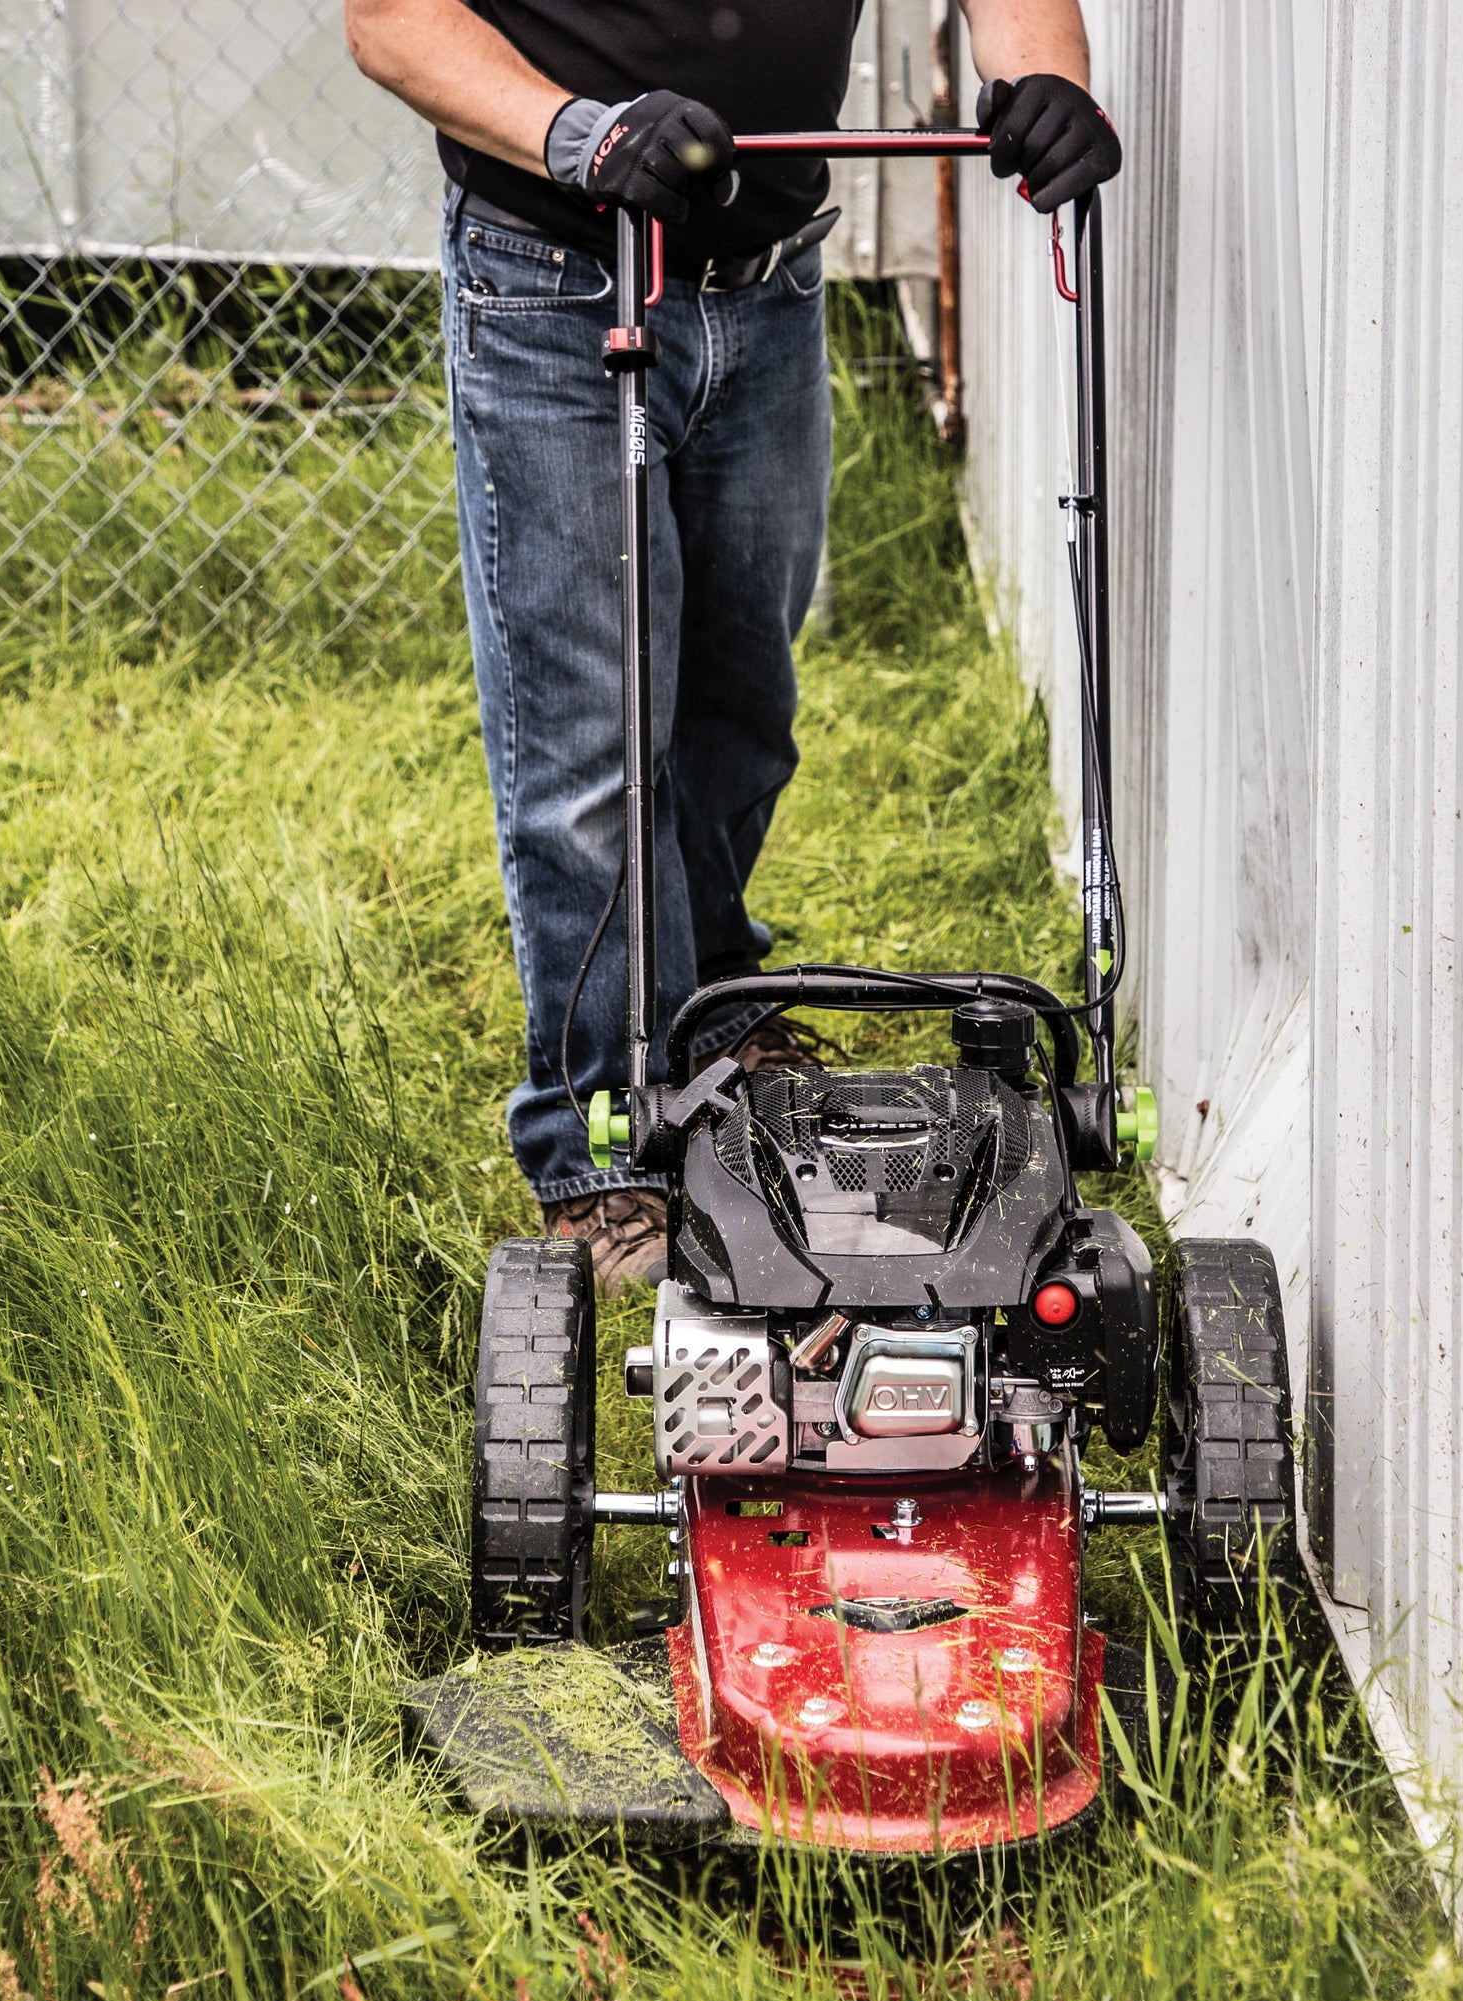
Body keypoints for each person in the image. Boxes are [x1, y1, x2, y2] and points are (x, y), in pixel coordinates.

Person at [345, 0, 1120, 1293]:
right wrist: (581, 134)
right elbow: (393, 22)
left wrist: (1043, 82)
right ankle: (605, 1145)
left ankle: (708, 1031)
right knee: (593, 745)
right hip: (558, 277)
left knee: (740, 711)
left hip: (766, 288)